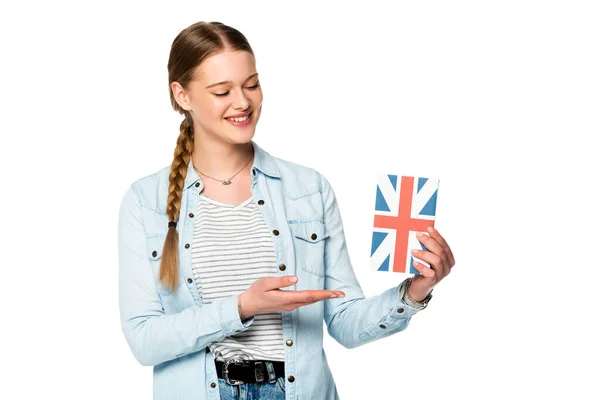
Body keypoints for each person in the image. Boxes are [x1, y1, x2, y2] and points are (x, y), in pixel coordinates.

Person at [117, 21, 455, 400]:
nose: (242, 102)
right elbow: (144, 341)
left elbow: (343, 321)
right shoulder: (145, 202)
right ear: (182, 95)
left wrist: (414, 291)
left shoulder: (308, 190)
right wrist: (242, 307)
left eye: (251, 84)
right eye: (221, 91)